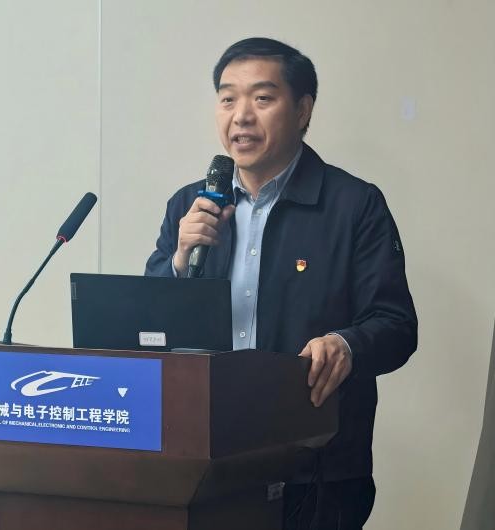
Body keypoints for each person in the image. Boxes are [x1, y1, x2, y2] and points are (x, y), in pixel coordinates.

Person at [145, 37, 417, 529]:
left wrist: (346, 344)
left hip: (317, 470)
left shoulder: (354, 205)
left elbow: (396, 325)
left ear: (302, 110)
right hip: (206, 465)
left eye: (262, 98)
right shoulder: (189, 206)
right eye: (228, 99)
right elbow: (146, 327)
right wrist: (180, 262)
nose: (241, 116)